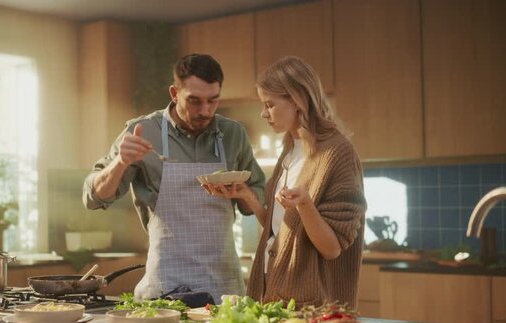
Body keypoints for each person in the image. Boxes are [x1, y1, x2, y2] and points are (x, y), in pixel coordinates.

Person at [82, 54, 266, 303]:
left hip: (224, 286)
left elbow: (251, 204)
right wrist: (120, 162)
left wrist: (242, 191)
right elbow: (93, 198)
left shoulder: (233, 134)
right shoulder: (143, 130)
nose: (205, 111)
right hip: (167, 286)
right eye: (194, 101)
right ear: (174, 92)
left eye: (213, 101)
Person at [205, 56, 366, 307]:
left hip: (313, 306)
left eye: (269, 104)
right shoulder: (290, 150)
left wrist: (305, 204)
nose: (263, 113)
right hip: (275, 293)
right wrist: (248, 196)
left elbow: (332, 249)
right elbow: (283, 231)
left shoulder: (337, 153)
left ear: (297, 100)